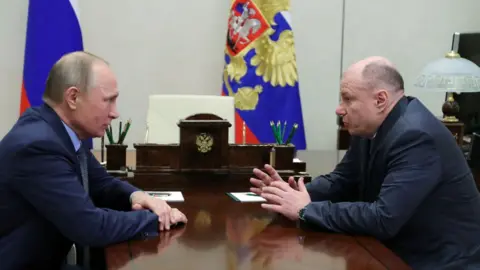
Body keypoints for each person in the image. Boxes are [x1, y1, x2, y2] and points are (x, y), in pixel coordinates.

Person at [250, 56, 480, 269]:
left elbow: (383, 218)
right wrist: (291, 195)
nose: (339, 109)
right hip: (395, 249)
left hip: (439, 262)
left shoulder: (417, 137)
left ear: (380, 100)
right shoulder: (371, 128)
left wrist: (306, 209)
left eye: (348, 99)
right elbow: (343, 180)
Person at [0, 51, 187, 270]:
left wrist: (140, 196)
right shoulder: (38, 147)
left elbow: (102, 183)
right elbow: (90, 227)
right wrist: (157, 219)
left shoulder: (55, 130)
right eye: (108, 101)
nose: (115, 113)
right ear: (73, 98)